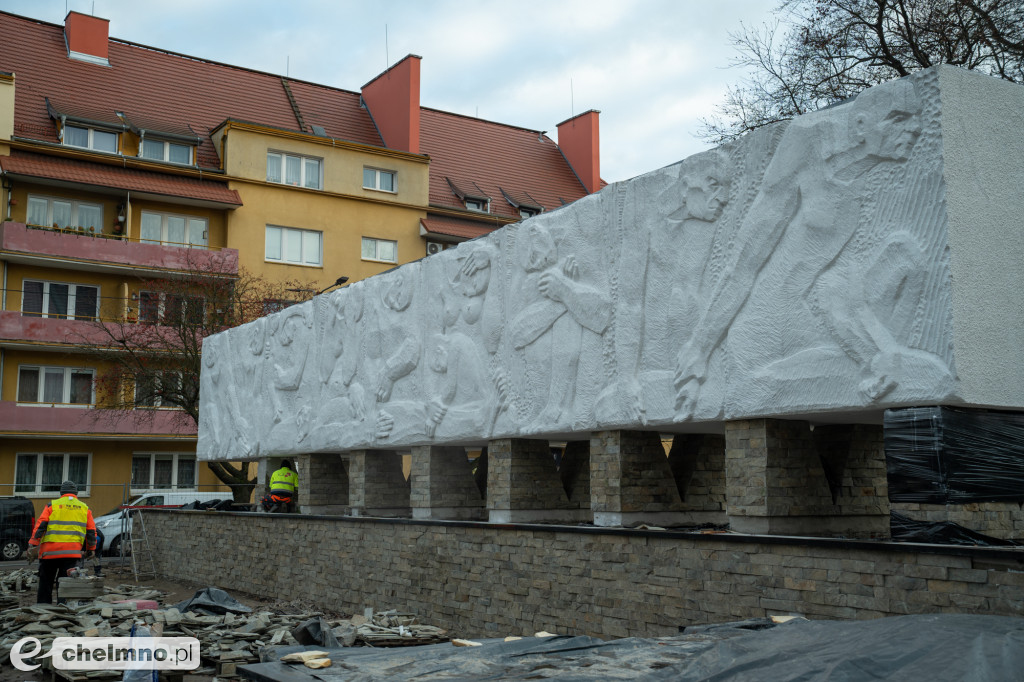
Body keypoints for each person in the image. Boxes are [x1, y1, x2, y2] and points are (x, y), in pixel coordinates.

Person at [26, 480, 97, 604]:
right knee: (65, 583)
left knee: (46, 582)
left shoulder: (51, 505)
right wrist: (91, 549)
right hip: (71, 554)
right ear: (76, 493)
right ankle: (62, 608)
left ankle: (43, 607)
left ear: (61, 493)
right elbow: (91, 532)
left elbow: (40, 526)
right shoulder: (85, 508)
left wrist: (33, 544)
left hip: (49, 553)